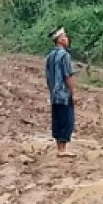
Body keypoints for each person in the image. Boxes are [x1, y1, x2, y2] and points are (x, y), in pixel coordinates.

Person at [45, 27, 77, 157]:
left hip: (54, 93)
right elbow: (67, 76)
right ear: (60, 39)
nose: (67, 39)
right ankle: (63, 150)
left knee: (57, 119)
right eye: (65, 36)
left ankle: (59, 147)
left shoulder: (50, 56)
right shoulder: (64, 55)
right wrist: (73, 92)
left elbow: (47, 77)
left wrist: (52, 90)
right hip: (64, 94)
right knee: (66, 119)